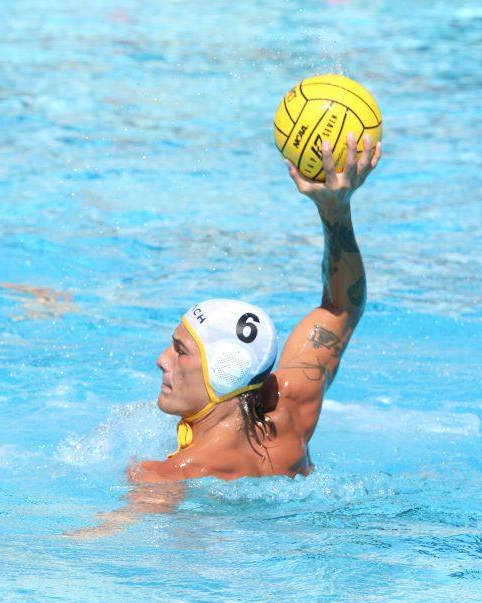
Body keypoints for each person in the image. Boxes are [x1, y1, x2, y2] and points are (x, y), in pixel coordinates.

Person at [70, 133, 381, 536]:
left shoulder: (169, 474)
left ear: (226, 370)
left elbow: (99, 539)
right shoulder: (292, 414)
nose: (161, 359)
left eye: (180, 351)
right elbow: (342, 306)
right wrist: (336, 211)